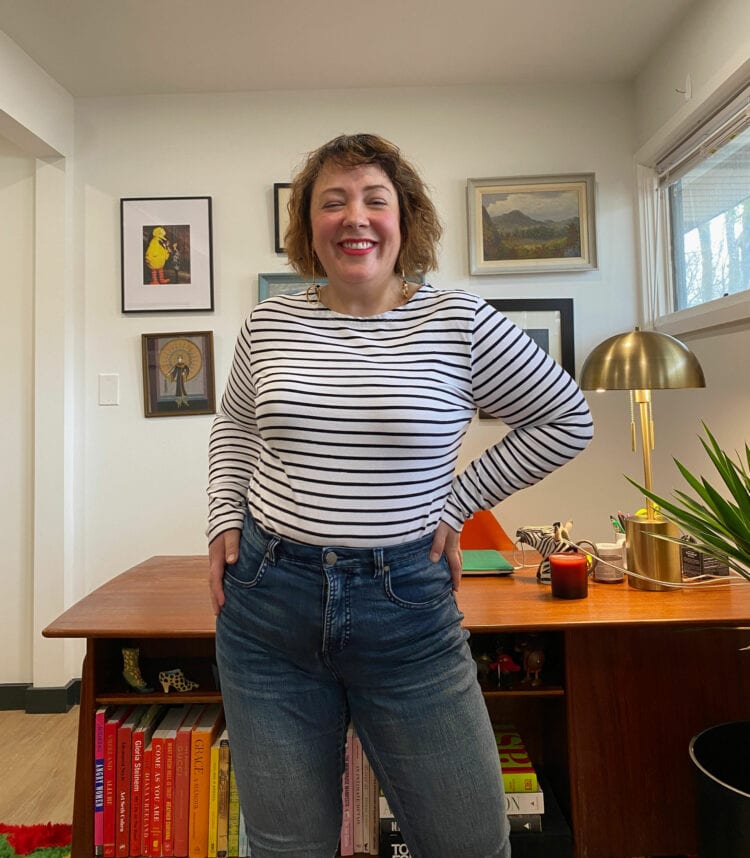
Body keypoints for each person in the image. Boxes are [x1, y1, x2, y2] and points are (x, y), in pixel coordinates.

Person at [207, 133, 593, 858]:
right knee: (286, 845)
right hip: (268, 609)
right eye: (333, 201)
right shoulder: (269, 323)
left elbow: (567, 418)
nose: (355, 216)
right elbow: (234, 423)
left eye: (374, 199)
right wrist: (224, 514)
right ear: (308, 227)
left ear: (404, 220)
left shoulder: (459, 321)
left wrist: (457, 502)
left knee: (470, 843)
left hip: (407, 614)